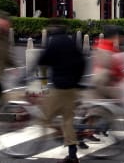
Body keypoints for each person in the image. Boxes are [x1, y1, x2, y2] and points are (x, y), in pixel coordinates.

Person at [37, 19, 86, 163]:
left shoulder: (54, 43)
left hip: (60, 88)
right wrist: (77, 80)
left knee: (45, 117)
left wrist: (25, 77)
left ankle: (61, 136)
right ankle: (72, 155)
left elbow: (42, 60)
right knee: (68, 119)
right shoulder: (71, 42)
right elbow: (82, 61)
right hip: (72, 87)